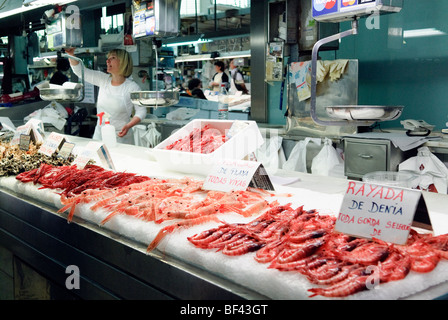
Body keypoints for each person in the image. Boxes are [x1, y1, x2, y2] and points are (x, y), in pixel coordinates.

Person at [65, 48, 146, 145]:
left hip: (121, 136)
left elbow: (141, 111)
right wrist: (70, 54)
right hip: (100, 134)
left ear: (123, 62)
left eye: (112, 58)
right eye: (108, 58)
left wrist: (129, 126)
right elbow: (80, 71)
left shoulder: (132, 87)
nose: (107, 61)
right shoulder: (103, 79)